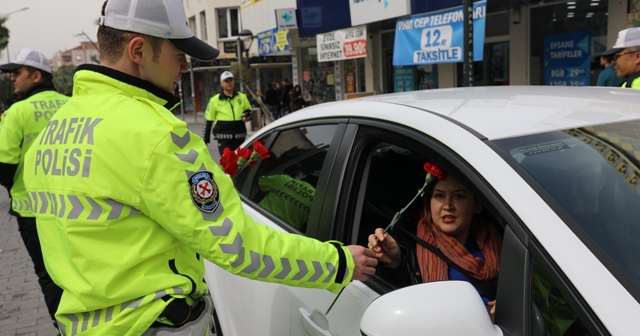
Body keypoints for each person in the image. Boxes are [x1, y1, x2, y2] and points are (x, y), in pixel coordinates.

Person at [22, 0, 377, 335]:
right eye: (178, 55)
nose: (184, 66)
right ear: (138, 51)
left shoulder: (55, 128)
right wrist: (338, 263)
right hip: (152, 323)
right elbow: (238, 245)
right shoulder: (156, 134)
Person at [368, 163, 501, 313]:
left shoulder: (500, 237)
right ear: (429, 202)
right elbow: (400, 300)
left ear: (476, 203)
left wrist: (509, 307)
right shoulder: (410, 247)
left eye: (459, 196)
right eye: (439, 195)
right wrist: (394, 263)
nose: (447, 206)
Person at [0, 48, 68, 329]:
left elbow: (4, 167)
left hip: (32, 212)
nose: (12, 79)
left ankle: (65, 328)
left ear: (36, 75)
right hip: (74, 206)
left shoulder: (17, 113)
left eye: (17, 73)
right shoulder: (71, 104)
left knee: (47, 274)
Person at [202, 71, 253, 155]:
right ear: (221, 83)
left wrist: (247, 116)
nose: (229, 83)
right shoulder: (214, 100)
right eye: (226, 81)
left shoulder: (242, 97)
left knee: (241, 164)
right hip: (224, 139)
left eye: (231, 80)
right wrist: (205, 140)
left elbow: (249, 112)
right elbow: (208, 120)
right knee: (227, 163)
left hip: (239, 137)